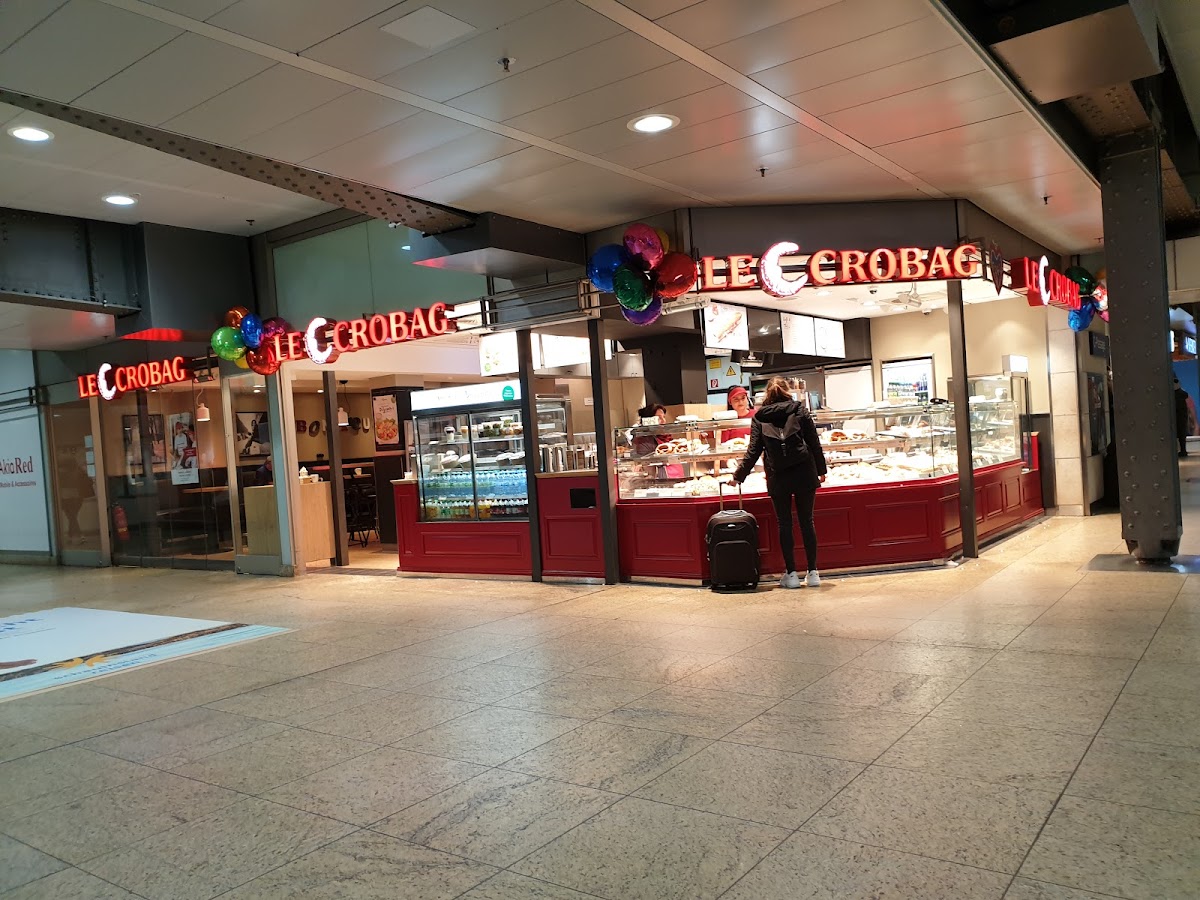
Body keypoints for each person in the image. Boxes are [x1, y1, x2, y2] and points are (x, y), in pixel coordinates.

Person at [731, 375, 827, 588]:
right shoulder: (800, 410)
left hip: (778, 475)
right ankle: (813, 573)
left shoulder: (759, 417)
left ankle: (791, 574)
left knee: (785, 524)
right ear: (787, 391)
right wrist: (821, 470)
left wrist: (738, 476)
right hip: (804, 472)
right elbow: (814, 442)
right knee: (807, 521)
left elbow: (754, 450)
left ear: (767, 394)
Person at [1176, 377, 1190, 458]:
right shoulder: (1182, 394)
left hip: (1179, 416)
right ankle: (1183, 450)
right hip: (1182, 416)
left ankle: (1182, 450)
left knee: (1181, 435)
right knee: (1182, 435)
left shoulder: (1179, 394)